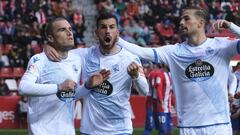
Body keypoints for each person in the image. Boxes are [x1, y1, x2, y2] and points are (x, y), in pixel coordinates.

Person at [118, 6, 240, 135]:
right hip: (188, 128)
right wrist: (118, 40)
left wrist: (231, 26)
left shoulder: (221, 45)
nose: (181, 22)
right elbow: (142, 52)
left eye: (186, 19)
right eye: (181, 19)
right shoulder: (174, 52)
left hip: (219, 126)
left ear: (201, 23)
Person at [44, 13, 149, 134]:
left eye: (111, 27)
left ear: (118, 33)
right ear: (97, 33)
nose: (107, 31)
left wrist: (136, 76)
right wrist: (47, 46)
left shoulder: (130, 58)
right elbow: (60, 52)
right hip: (91, 130)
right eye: (103, 27)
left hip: (120, 129)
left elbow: (144, 91)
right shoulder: (84, 55)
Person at [18, 17, 110, 135]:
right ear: (50, 38)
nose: (69, 33)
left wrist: (87, 86)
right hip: (41, 131)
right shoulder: (39, 60)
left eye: (70, 29)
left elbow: (70, 96)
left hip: (68, 131)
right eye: (62, 30)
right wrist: (58, 87)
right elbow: (23, 88)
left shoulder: (76, 59)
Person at [143, 63, 175, 135]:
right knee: (159, 129)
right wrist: (161, 101)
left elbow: (169, 91)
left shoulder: (169, 75)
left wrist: (173, 103)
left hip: (168, 107)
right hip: (159, 105)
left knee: (169, 130)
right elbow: (158, 89)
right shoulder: (158, 74)